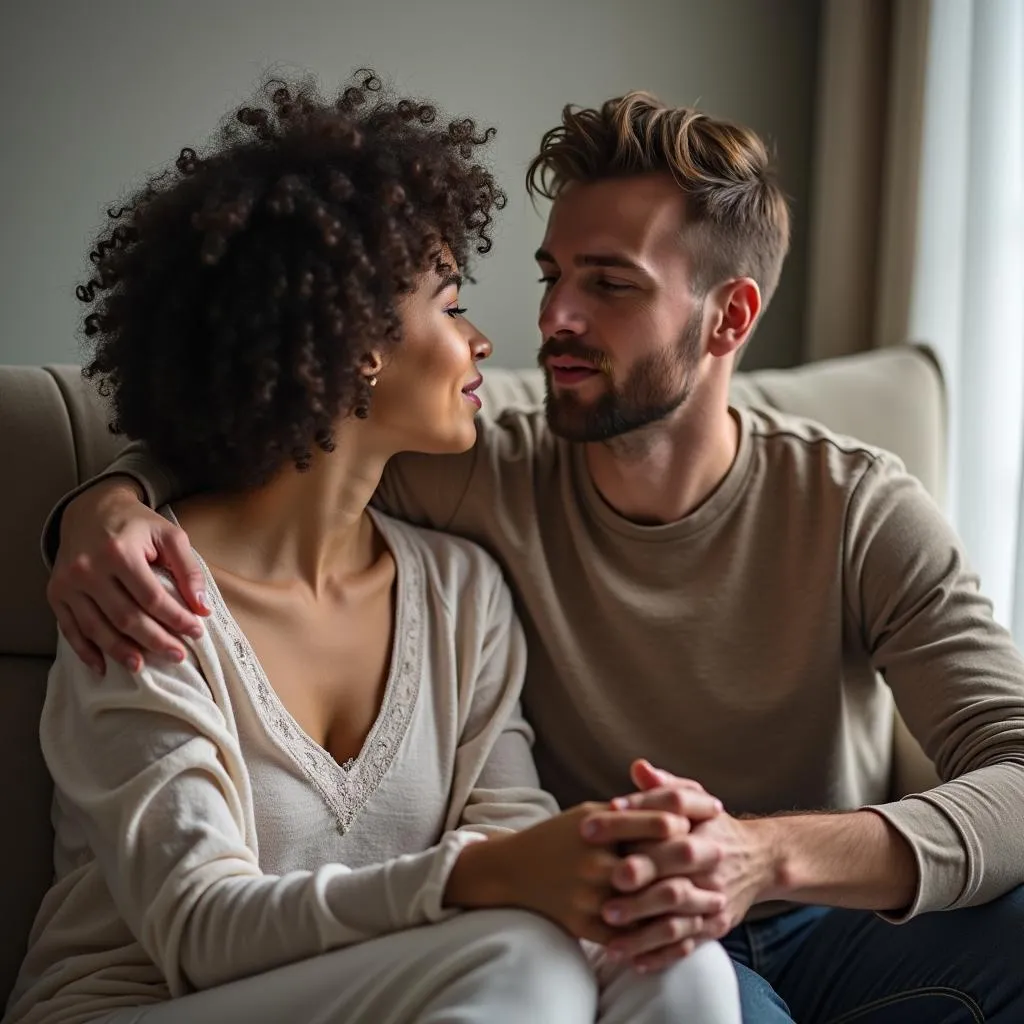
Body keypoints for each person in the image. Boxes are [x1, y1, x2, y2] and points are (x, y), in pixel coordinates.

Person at [42, 84, 1024, 1023]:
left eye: (609, 284)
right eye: (551, 276)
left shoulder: (851, 506)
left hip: (818, 920)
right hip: (570, 936)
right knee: (604, 961)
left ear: (729, 318)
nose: (547, 320)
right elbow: (269, 426)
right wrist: (106, 501)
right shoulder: (474, 477)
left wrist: (762, 854)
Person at [4, 74, 745, 1024]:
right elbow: (194, 926)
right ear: (356, 341)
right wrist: (485, 876)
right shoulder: (139, 591)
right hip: (137, 1004)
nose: (484, 342)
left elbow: (518, 861)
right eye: (451, 303)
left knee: (679, 964)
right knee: (520, 959)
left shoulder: (463, 593)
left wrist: (627, 867)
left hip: (410, 989)